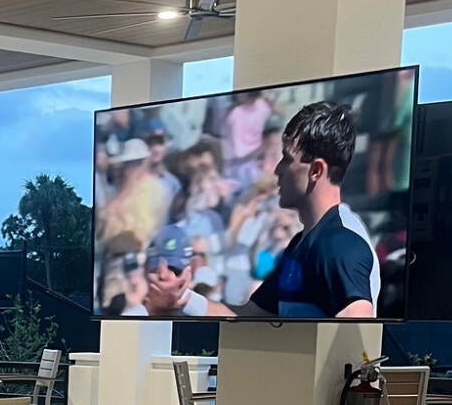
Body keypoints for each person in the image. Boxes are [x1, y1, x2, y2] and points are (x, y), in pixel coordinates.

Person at [144, 101, 379, 320]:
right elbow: (249, 315)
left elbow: (358, 320)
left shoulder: (341, 241)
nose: (277, 170)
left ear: (316, 170)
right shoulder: (302, 244)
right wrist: (181, 298)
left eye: (287, 159)